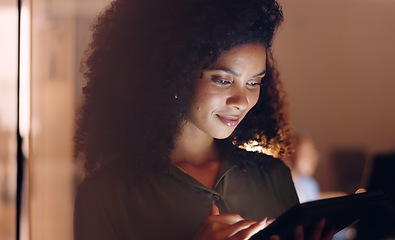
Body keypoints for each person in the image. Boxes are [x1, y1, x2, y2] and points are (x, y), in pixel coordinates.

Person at [73, 0, 335, 239]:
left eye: (254, 82)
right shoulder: (106, 195)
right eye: (223, 80)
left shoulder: (272, 176)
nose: (242, 100)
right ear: (173, 74)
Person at [288, 138, 320, 203]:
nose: (312, 159)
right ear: (291, 155)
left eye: (313, 154)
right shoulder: (280, 187)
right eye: (305, 154)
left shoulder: (310, 185)